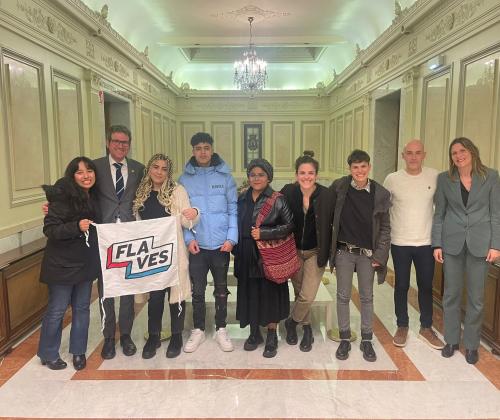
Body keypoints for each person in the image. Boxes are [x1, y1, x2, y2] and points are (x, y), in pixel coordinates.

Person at [432, 137, 500, 364]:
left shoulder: (490, 176)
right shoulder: (444, 179)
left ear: (472, 151)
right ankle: (451, 340)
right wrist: (437, 244)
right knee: (451, 294)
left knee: (476, 298)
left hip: (480, 244)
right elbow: (439, 214)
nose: (458, 155)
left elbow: (495, 214)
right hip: (451, 244)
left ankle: (471, 345)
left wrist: (496, 245)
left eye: (462, 151)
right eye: (454, 153)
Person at [132, 154, 199, 359]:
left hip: (174, 251)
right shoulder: (141, 193)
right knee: (155, 296)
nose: (159, 172)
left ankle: (177, 336)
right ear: (149, 169)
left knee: (176, 296)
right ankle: (154, 336)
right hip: (152, 253)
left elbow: (188, 222)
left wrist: (194, 213)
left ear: (168, 172)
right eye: (155, 167)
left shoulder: (177, 191)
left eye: (164, 169)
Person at [37, 157, 100, 370]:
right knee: (57, 310)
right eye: (80, 172)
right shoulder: (62, 197)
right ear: (71, 175)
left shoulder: (93, 196)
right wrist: (76, 226)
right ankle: (48, 353)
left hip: (84, 263)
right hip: (61, 265)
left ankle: (78, 352)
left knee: (82, 308)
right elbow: (50, 230)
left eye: (89, 170)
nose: (86, 175)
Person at [178, 132, 238, 353]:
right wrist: (188, 238)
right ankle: (199, 330)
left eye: (206, 147)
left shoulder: (225, 177)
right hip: (197, 246)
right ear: (193, 151)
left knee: (221, 289)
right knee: (198, 291)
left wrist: (231, 238)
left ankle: (221, 328)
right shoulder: (184, 180)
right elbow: (180, 214)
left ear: (212, 150)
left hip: (221, 245)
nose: (202, 152)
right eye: (198, 148)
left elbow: (233, 210)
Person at [330, 150, 391, 362]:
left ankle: (367, 339)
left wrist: (380, 255)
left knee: (366, 297)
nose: (359, 171)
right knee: (343, 296)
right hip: (344, 252)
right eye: (355, 167)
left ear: (369, 167)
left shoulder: (380, 193)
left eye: (363, 166)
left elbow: (385, 228)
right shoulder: (339, 187)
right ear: (350, 169)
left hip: (367, 255)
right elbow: (325, 206)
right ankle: (345, 338)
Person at [383, 140, 444, 350]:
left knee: (426, 287)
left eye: (418, 153)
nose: (413, 157)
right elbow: (382, 211)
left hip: (426, 243)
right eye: (409, 153)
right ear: (403, 155)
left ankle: (426, 327)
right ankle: (402, 325)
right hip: (400, 242)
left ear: (424, 155)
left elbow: (443, 208)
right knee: (401, 286)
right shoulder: (392, 179)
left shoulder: (435, 176)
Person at [93, 125, 145, 360]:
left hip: (129, 237)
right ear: (108, 142)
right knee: (106, 290)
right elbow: (78, 193)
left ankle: (125, 335)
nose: (121, 146)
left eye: (125, 142)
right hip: (104, 238)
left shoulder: (138, 169)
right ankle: (108, 338)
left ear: (129, 144)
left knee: (127, 288)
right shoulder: (95, 168)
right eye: (116, 141)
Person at [233, 159, 294, 358]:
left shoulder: (277, 199)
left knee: (270, 297)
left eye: (261, 174)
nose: (256, 178)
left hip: (268, 257)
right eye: (253, 174)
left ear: (268, 177)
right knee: (249, 295)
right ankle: (253, 333)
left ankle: (271, 335)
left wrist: (265, 234)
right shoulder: (241, 198)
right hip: (245, 255)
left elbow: (288, 226)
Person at [281, 151, 333, 352]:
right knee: (299, 291)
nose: (306, 177)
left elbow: (334, 223)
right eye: (302, 173)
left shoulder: (327, 195)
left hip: (315, 251)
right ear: (296, 175)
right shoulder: (288, 192)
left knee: (307, 294)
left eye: (310, 173)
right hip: (293, 251)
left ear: (316, 175)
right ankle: (308, 328)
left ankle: (292, 322)